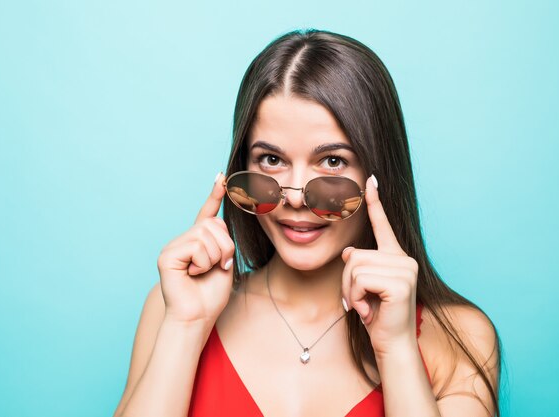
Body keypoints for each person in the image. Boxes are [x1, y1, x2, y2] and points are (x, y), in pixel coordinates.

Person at [112, 28, 501, 417]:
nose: (295, 196)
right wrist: (185, 325)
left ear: (376, 171)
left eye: (332, 161)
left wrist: (396, 347)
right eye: (271, 159)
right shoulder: (173, 307)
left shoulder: (460, 337)